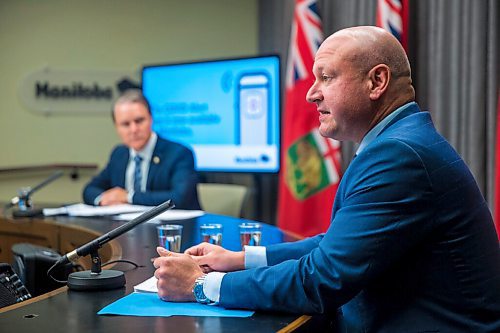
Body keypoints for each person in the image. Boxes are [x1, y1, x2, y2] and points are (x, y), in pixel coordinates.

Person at [153, 26, 500, 332]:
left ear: (376, 82)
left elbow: (322, 279)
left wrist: (202, 285)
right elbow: (338, 244)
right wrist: (238, 259)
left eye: (327, 77)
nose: (311, 92)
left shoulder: (399, 155)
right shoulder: (400, 140)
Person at [83, 89, 200, 209]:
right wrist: (103, 199)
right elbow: (89, 190)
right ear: (116, 127)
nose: (134, 129)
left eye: (139, 121)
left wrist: (128, 197)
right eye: (125, 124)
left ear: (151, 119)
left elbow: (179, 198)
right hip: (126, 225)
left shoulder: (179, 153)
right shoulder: (119, 154)